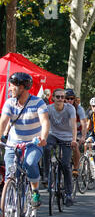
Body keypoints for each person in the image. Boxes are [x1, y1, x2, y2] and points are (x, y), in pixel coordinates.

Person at [0, 72, 50, 208]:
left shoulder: (38, 102)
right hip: (13, 144)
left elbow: (45, 122)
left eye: (12, 86)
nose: (10, 88)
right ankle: (10, 207)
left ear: (22, 87)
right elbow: (3, 121)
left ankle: (35, 191)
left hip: (33, 143)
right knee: (10, 174)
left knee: (29, 163)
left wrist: (43, 138)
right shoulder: (9, 103)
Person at [43, 89, 77, 207]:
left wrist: (74, 139)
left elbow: (73, 125)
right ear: (53, 98)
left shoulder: (70, 109)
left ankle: (68, 194)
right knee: (46, 147)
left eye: (63, 97)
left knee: (65, 165)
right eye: (58, 97)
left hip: (67, 137)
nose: (60, 99)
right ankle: (46, 174)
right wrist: (42, 137)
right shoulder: (49, 109)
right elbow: (44, 124)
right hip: (53, 134)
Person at [65, 89, 87, 177]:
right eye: (67, 98)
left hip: (77, 132)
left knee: (75, 146)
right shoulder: (60, 107)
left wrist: (83, 137)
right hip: (65, 132)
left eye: (72, 99)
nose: (69, 100)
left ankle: (76, 168)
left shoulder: (79, 108)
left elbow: (84, 123)